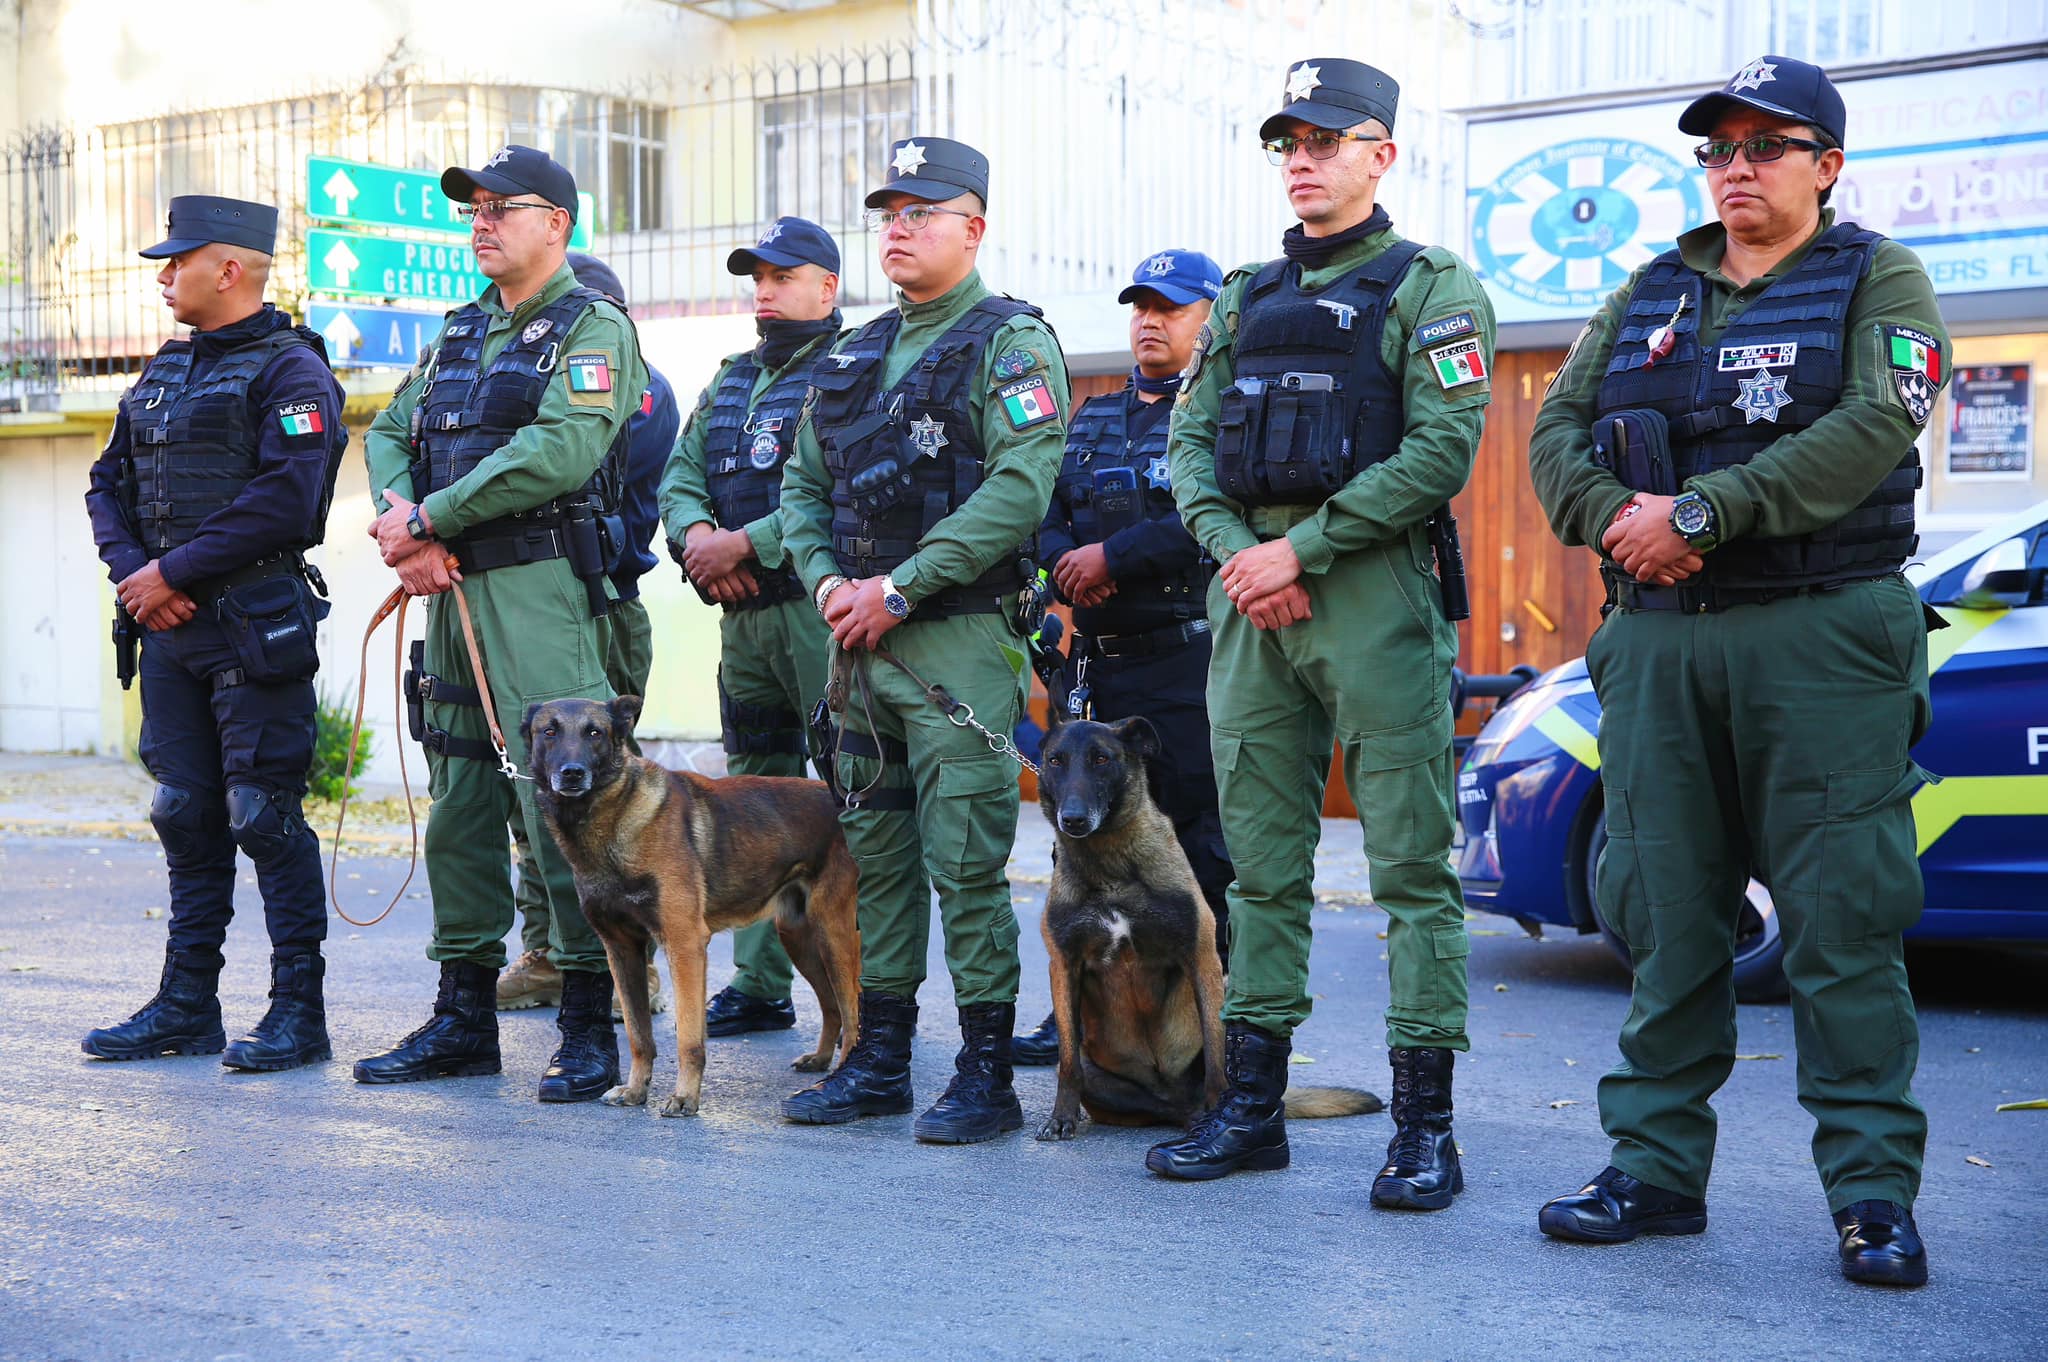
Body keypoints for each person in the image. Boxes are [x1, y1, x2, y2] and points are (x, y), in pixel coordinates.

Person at [1527, 56, 1945, 1288]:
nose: (1736, 168)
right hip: (1658, 636)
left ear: (1825, 163)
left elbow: (1878, 420)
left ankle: (1870, 1195)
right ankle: (1652, 1171)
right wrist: (1619, 517)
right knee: (1662, 915)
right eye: (1717, 149)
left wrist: (1703, 512)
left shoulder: (1879, 275)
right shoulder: (1649, 285)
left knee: (1840, 922)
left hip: (1819, 635)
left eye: (1767, 146)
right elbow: (1552, 432)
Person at [1151, 59, 1493, 1203]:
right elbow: (1187, 447)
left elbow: (1440, 450)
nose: (1301, 159)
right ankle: (1251, 1110)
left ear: (1379, 153)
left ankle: (1423, 1130)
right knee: (1258, 872)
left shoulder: (1431, 286)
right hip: (1249, 598)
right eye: (1285, 143)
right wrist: (1242, 558)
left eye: (1325, 140)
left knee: (1407, 872)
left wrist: (1301, 549)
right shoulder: (1244, 292)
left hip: (1368, 593)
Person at [777, 137, 1070, 1144]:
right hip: (854, 645)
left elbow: (1020, 486)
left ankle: (985, 1075)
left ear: (972, 227)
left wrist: (898, 587)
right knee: (878, 858)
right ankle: (881, 1059)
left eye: (921, 211)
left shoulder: (1010, 343)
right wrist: (825, 581)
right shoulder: (852, 352)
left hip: (953, 639)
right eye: (888, 213)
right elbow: (800, 490)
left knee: (964, 861)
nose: (898, 228)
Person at [354, 145, 649, 1103]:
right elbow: (394, 433)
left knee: (560, 808)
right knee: (462, 806)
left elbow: (561, 450)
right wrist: (407, 523)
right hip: (451, 593)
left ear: (557, 223)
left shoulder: (592, 327)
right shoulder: (457, 332)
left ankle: (588, 1020)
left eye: (501, 207)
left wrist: (434, 518)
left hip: (539, 595)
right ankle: (463, 1015)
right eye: (472, 210)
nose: (480, 223)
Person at [81, 196, 348, 1072]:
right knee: (184, 814)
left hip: (252, 626)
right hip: (168, 630)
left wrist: (173, 574)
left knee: (262, 816)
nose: (163, 277)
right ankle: (186, 1006)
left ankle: (297, 1016)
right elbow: (104, 483)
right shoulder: (161, 372)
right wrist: (136, 578)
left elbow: (286, 501)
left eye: (178, 261)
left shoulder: (293, 372)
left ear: (228, 269)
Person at [1011, 247, 1233, 1066]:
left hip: (1185, 664)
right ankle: (1089, 1000)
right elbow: (1049, 510)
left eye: (1170, 307)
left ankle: (1214, 1007)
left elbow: (1213, 514)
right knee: (1086, 841)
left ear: (1209, 317)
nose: (1150, 320)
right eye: (1140, 306)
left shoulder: (1220, 407)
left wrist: (1115, 559)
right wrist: (1069, 562)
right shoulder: (1095, 414)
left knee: (1199, 840)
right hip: (1095, 667)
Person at [656, 216, 845, 1038]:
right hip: (744, 623)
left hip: (815, 612)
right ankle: (762, 986)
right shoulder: (731, 378)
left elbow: (842, 490)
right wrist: (701, 541)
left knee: (844, 797)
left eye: (782, 276)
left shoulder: (853, 370)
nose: (764, 291)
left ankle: (857, 991)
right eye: (757, 278)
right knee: (751, 803)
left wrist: (748, 542)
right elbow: (679, 475)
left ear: (827, 287)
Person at [496, 249, 678, 1019]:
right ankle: (545, 951)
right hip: (522, 600)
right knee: (528, 787)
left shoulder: (636, 388)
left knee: (611, 794)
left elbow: (563, 471)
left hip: (598, 601)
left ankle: (629, 960)